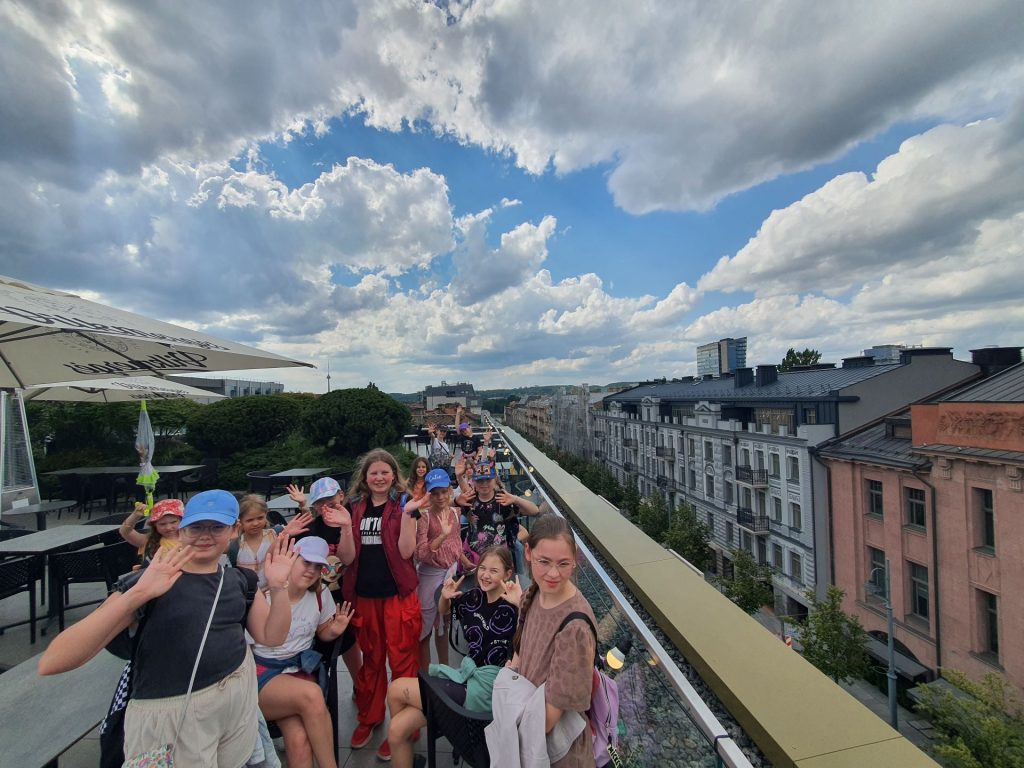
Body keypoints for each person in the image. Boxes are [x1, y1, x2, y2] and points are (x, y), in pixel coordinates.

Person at [39, 490, 296, 768]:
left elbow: (272, 636)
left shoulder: (240, 581)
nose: (205, 535)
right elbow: (54, 661)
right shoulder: (147, 582)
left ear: (234, 531)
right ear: (182, 531)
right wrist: (138, 594)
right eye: (196, 527)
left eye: (216, 527)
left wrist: (278, 587)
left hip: (235, 702)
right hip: (172, 715)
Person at [384, 546, 520, 767]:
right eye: (483, 568)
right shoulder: (474, 597)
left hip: (487, 691)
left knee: (396, 689)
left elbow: (532, 638)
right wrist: (445, 598)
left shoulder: (515, 606)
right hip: (465, 679)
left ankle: (411, 750)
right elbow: (444, 610)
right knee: (397, 730)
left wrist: (521, 606)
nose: (485, 575)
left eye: (494, 571)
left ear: (508, 573)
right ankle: (407, 753)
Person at [343, 448, 422, 751]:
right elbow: (347, 557)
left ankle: (404, 727)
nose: (379, 477)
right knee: (372, 659)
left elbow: (406, 552)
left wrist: (408, 515)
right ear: (365, 477)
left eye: (384, 472)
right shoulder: (354, 506)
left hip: (397, 596)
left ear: (393, 475)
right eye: (373, 472)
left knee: (402, 660)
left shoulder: (404, 504)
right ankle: (370, 716)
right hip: (365, 596)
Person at [253, 536, 354, 768]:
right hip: (263, 675)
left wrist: (334, 629)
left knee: (299, 740)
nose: (311, 570)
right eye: (306, 562)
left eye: (317, 566)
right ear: (290, 560)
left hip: (298, 673)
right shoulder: (262, 597)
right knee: (312, 695)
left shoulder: (320, 595)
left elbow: (322, 631)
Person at [507, 514, 597, 767]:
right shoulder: (533, 593)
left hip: (555, 752)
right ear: (528, 553)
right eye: (544, 562)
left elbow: (547, 720)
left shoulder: (575, 628)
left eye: (563, 563)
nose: (553, 574)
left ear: (575, 559)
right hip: (529, 730)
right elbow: (521, 650)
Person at [287, 478, 361, 691]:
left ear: (341, 496)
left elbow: (348, 558)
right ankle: (321, 686)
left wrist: (346, 527)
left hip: (346, 595)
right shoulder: (312, 528)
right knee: (321, 645)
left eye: (330, 498)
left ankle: (360, 685)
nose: (326, 505)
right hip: (318, 596)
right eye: (320, 501)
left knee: (350, 642)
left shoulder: (351, 522)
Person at [404, 468, 475, 672]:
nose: (441, 497)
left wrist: (464, 561)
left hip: (449, 574)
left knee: (444, 624)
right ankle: (426, 674)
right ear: (429, 494)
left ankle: (444, 671)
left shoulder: (455, 513)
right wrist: (441, 536)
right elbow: (420, 553)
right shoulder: (424, 518)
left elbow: (455, 543)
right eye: (435, 493)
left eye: (444, 492)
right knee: (425, 627)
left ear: (450, 490)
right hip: (430, 576)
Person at [462, 463, 540, 567]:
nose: (484, 484)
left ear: (495, 479)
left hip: (499, 556)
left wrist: (515, 499)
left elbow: (534, 510)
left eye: (488, 480)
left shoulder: (503, 499)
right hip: (473, 555)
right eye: (480, 480)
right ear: (474, 482)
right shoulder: (470, 500)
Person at [232, 494, 313, 588]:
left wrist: (303, 505)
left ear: (266, 515)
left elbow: (305, 522)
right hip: (245, 593)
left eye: (260, 518)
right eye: (249, 520)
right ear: (240, 520)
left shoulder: (276, 533)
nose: (255, 523)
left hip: (274, 590)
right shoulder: (236, 543)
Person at [118, 498, 183, 562]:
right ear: (154, 525)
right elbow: (125, 532)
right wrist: (135, 515)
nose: (168, 527)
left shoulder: (188, 539)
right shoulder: (149, 541)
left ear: (182, 520)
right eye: (162, 524)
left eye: (173, 522)